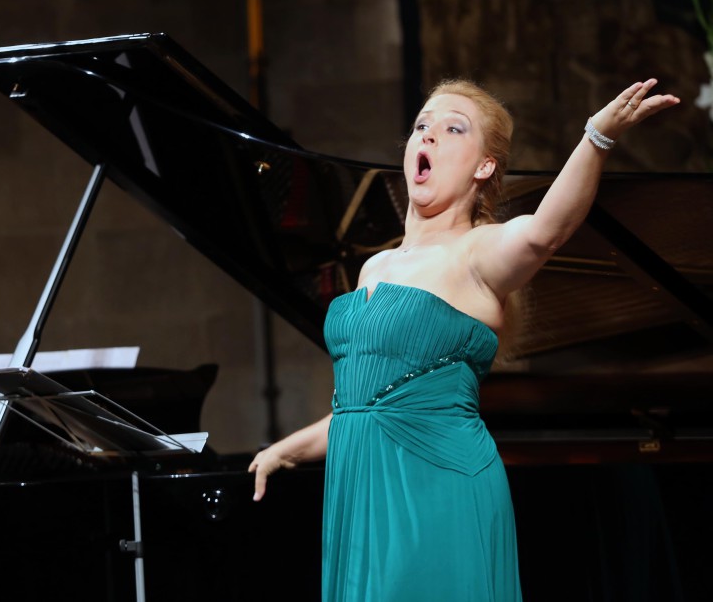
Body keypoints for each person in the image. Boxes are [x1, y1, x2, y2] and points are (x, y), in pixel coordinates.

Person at [248, 78, 679, 601]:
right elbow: (364, 406)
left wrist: (597, 137)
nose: (428, 136)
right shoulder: (373, 267)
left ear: (485, 166)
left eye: (453, 128)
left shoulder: (479, 254)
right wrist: (283, 452)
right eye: (421, 126)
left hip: (438, 486)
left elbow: (546, 230)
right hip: (359, 492)